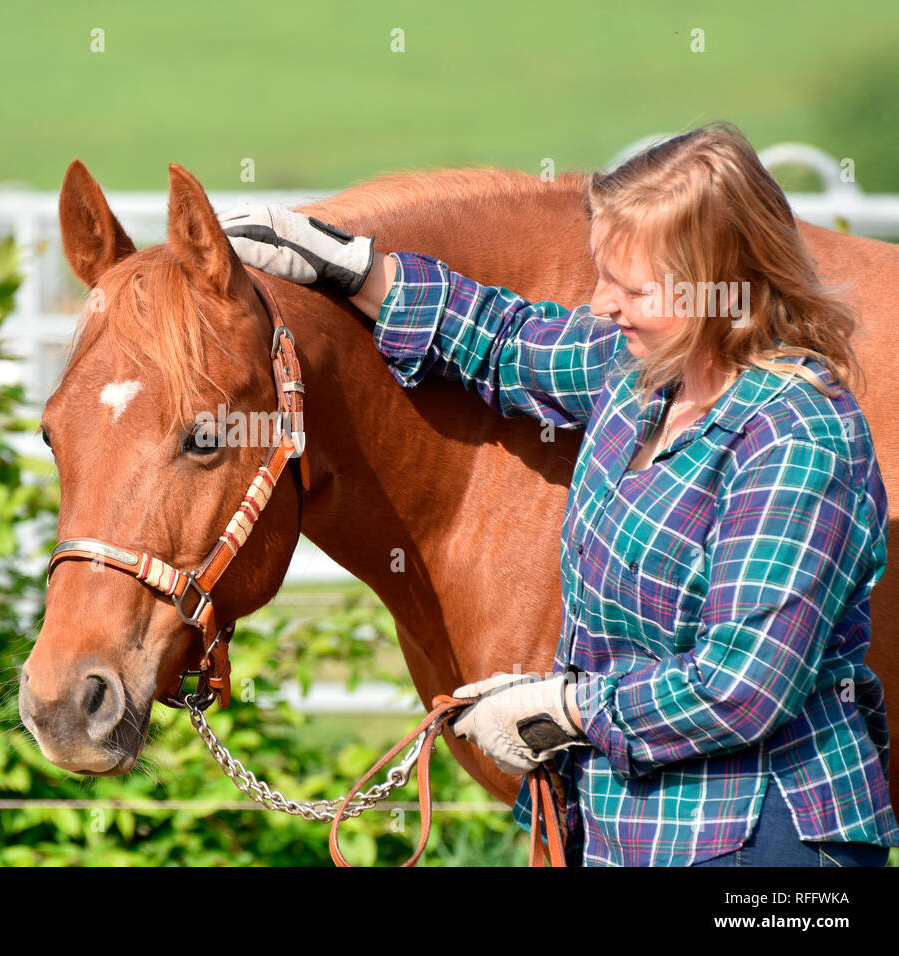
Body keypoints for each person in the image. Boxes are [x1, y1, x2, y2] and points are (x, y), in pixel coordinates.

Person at [220, 122, 899, 867]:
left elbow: (739, 689)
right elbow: (507, 340)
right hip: (629, 832)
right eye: (601, 275)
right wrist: (353, 270)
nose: (602, 303)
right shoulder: (643, 375)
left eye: (632, 287)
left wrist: (564, 709)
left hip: (759, 841)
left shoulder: (796, 439)